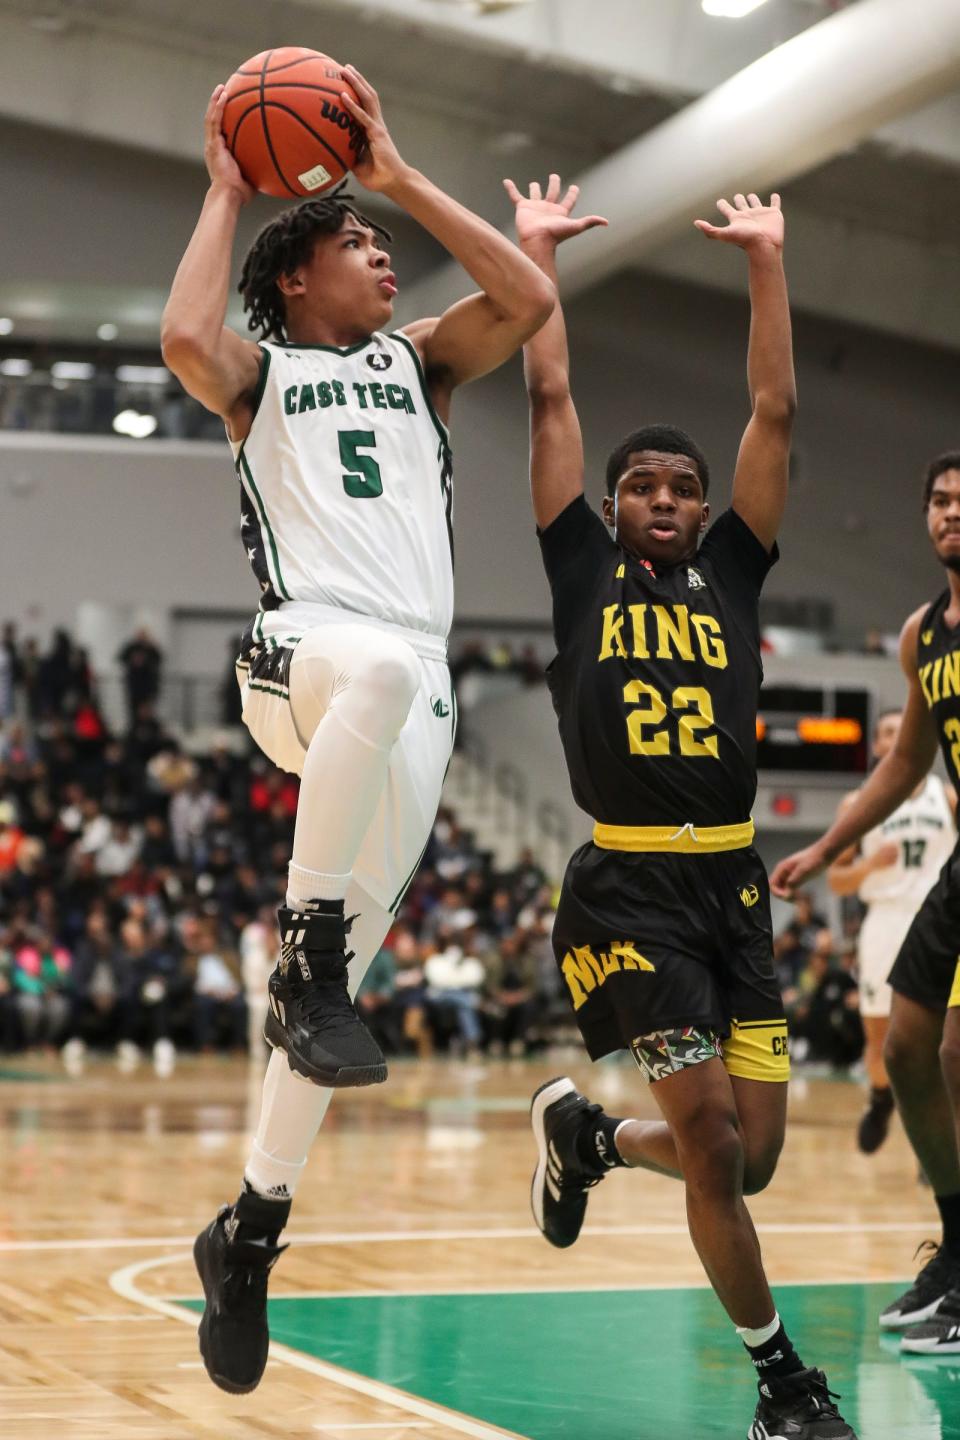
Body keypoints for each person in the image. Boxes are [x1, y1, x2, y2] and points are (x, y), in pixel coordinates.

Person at [160, 69, 553, 1394]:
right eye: (358, 242)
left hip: (410, 697)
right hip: (300, 658)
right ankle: (305, 952)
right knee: (374, 673)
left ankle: (250, 1229)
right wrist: (226, 190)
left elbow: (531, 302)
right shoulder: (256, 371)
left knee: (334, 1026)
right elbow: (179, 336)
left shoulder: (420, 360)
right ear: (294, 281)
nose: (384, 256)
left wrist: (395, 175)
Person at [510, 173, 855, 1438]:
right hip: (630, 887)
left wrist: (768, 257)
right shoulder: (577, 567)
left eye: (682, 488)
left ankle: (591, 1143)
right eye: (643, 485)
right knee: (713, 1141)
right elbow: (548, 393)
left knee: (749, 1156)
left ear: (705, 508)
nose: (664, 499)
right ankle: (783, 1385)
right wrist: (535, 254)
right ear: (612, 504)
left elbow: (774, 405)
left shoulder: (735, 574)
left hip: (734, 885)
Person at [772, 451, 960, 1359]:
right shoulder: (923, 632)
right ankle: (958, 1254)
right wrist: (824, 845)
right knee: (914, 1049)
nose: (950, 513)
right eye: (939, 500)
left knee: (955, 1057)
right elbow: (904, 762)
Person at [826, 709, 955, 1153]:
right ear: (878, 745)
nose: (896, 736)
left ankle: (937, 1144)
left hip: (939, 921)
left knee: (944, 1042)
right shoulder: (856, 804)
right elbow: (835, 880)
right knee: (881, 1041)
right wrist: (867, 865)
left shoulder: (947, 797)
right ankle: (881, 1099)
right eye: (886, 731)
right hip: (884, 921)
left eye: (904, 727)